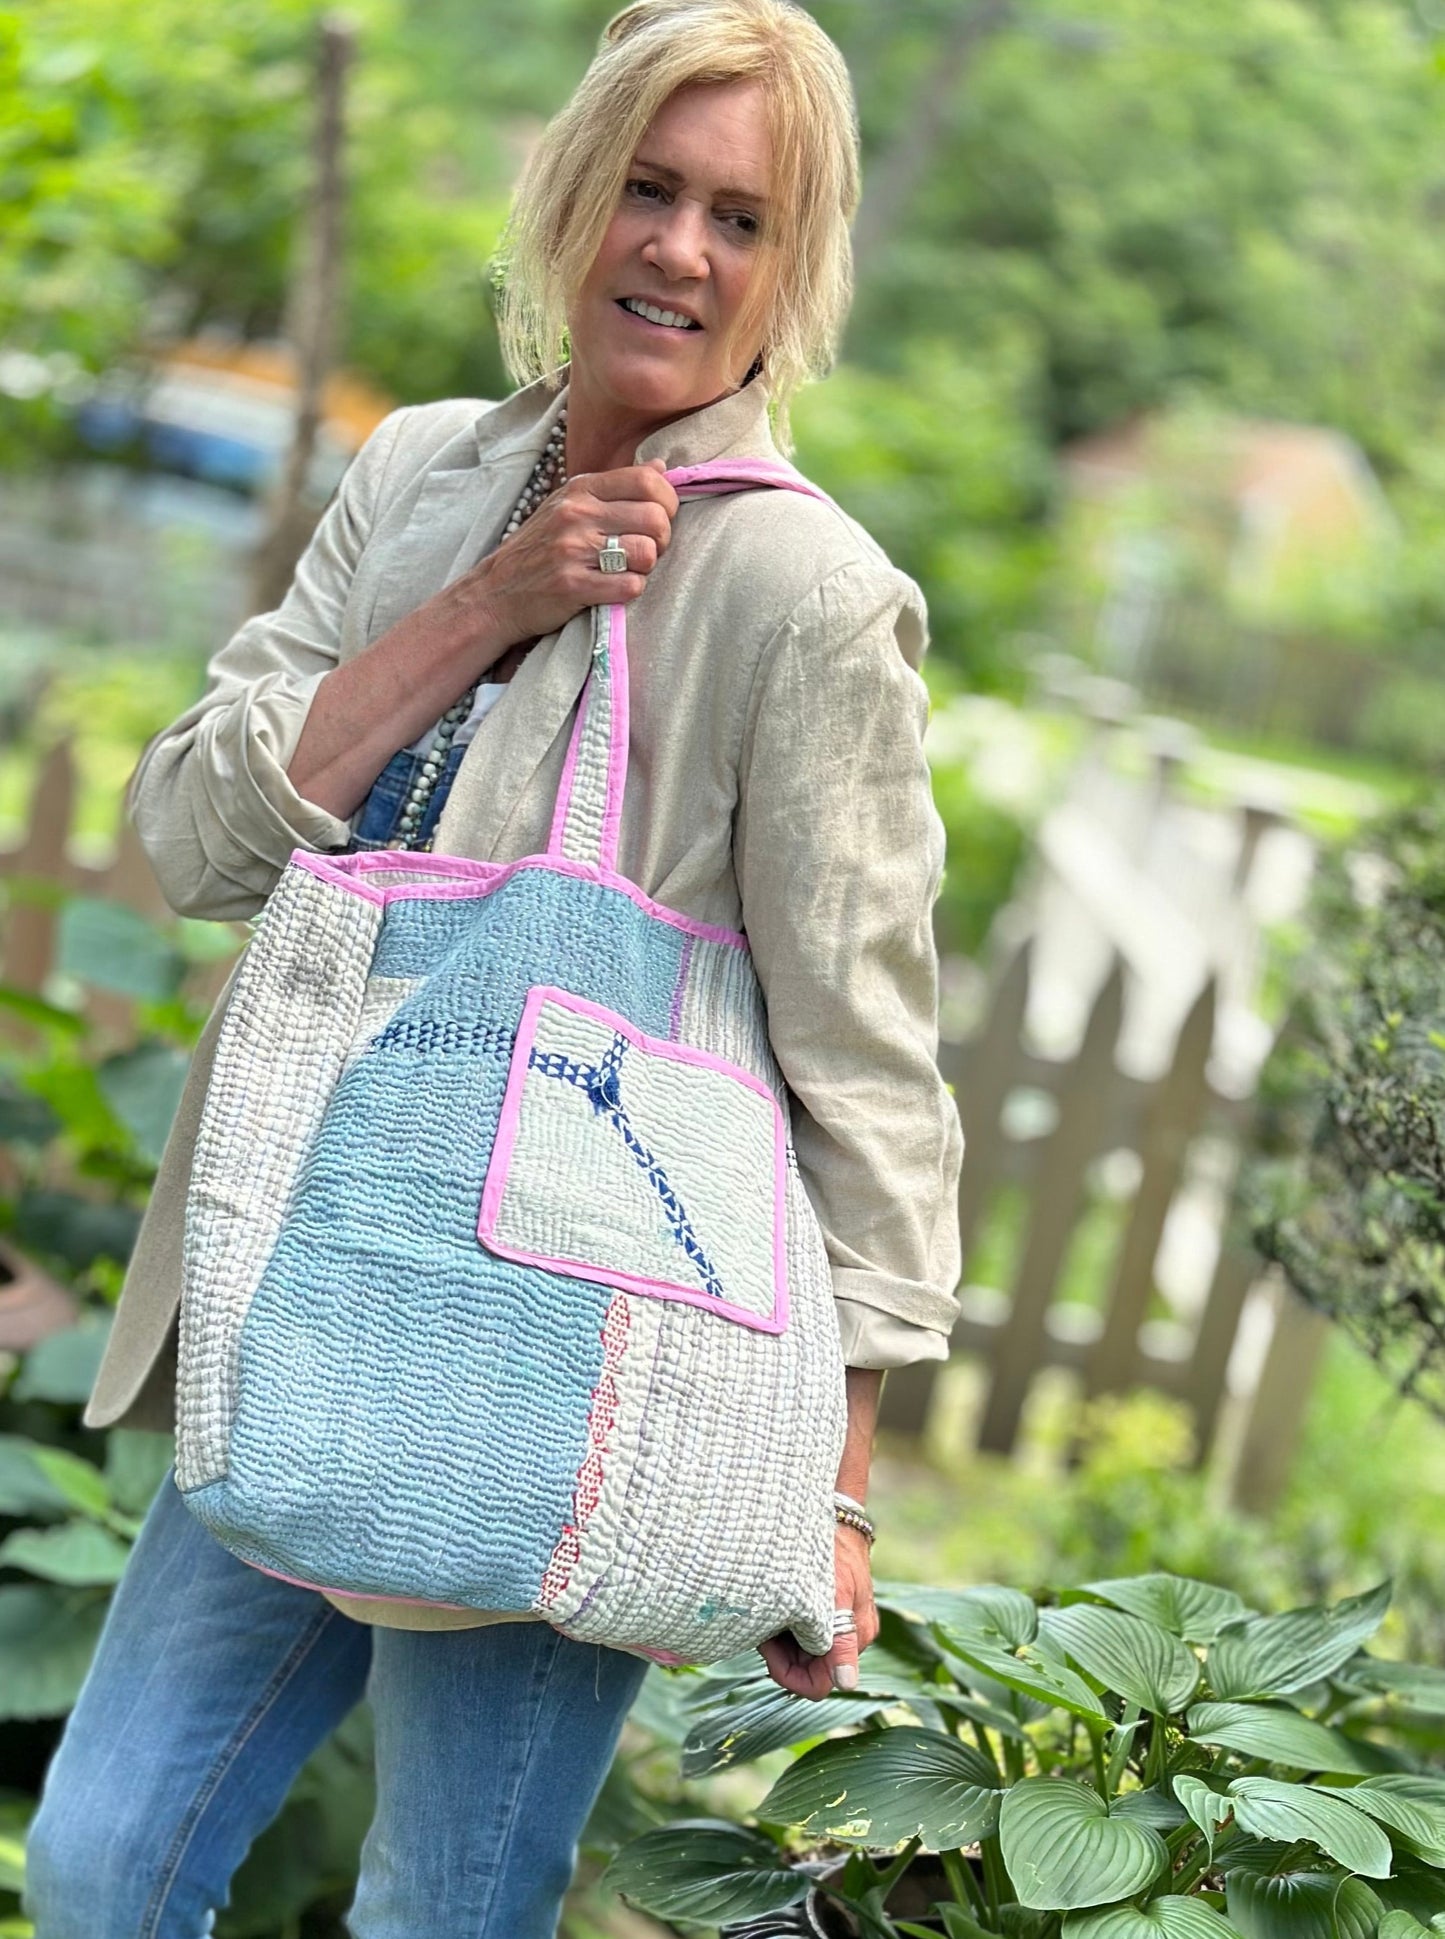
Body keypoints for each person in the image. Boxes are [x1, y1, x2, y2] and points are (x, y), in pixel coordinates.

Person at [25, 1, 963, 1932]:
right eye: (643, 188)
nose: (679, 252)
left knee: (443, 1902)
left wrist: (842, 1484)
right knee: (107, 1860)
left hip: (573, 1347)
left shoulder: (804, 595)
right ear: (568, 195)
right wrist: (490, 604)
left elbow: (865, 1060)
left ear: (797, 270)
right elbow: (194, 838)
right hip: (298, 1290)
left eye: (740, 218)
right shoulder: (426, 480)